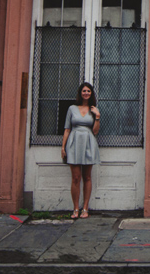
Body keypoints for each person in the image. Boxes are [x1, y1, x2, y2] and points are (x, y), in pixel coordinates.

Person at [60, 81, 101, 219]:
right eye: (84, 91)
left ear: (91, 94)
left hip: (89, 143)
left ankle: (85, 208)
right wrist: (63, 147)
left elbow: (95, 131)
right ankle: (76, 208)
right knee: (76, 177)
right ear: (80, 93)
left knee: (87, 177)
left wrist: (97, 116)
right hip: (74, 142)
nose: (86, 93)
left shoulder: (93, 109)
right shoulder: (72, 108)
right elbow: (67, 129)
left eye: (88, 91)